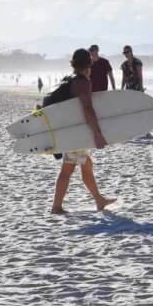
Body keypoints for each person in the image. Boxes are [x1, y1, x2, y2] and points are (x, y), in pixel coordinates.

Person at [51, 48, 117, 215]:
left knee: (87, 165)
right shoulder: (83, 82)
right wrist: (97, 134)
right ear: (89, 63)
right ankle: (56, 207)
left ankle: (99, 200)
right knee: (67, 170)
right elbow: (88, 109)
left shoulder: (70, 79)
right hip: (75, 134)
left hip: (70, 131)